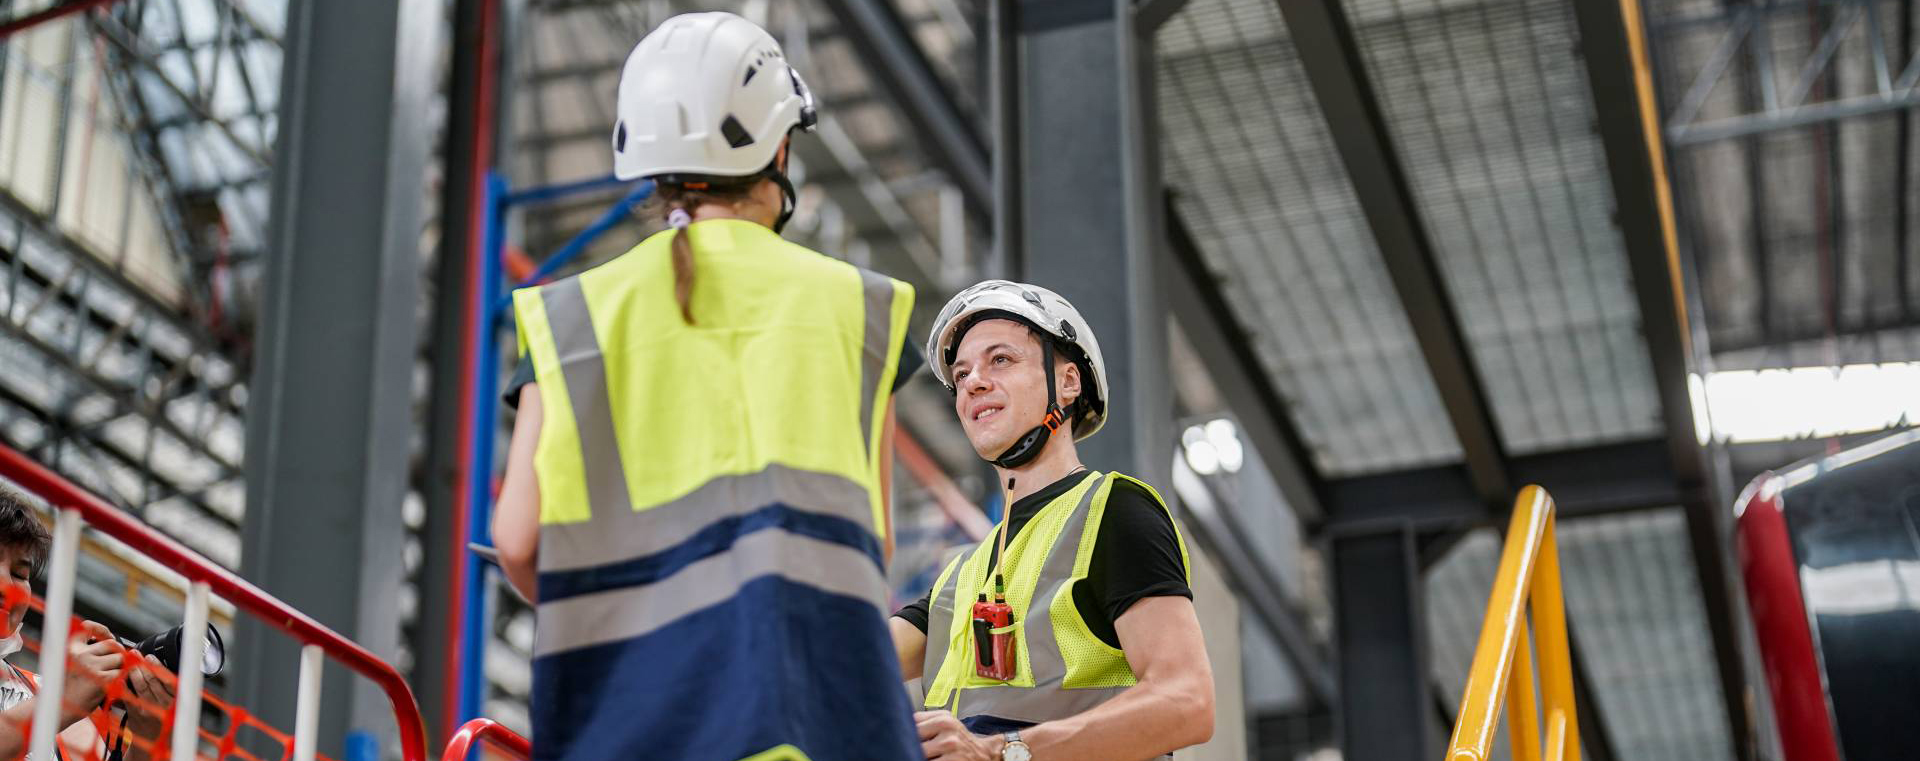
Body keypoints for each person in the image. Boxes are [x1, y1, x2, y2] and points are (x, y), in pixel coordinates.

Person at [489, 11, 922, 761]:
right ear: (779, 148)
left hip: (621, 730)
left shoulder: (570, 318)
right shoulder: (858, 307)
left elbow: (518, 541)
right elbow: (871, 541)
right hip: (818, 729)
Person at [889, 281, 1215, 761]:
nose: (974, 381)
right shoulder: (958, 581)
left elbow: (1187, 702)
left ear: (1068, 382)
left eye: (1001, 359)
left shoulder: (1113, 510)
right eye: (961, 374)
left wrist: (1003, 752)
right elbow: (843, 663)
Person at [0, 487, 174, 761]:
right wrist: (62, 703)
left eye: (19, 574)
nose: (6, 585)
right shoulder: (61, 701)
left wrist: (148, 740)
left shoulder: (50, 698)